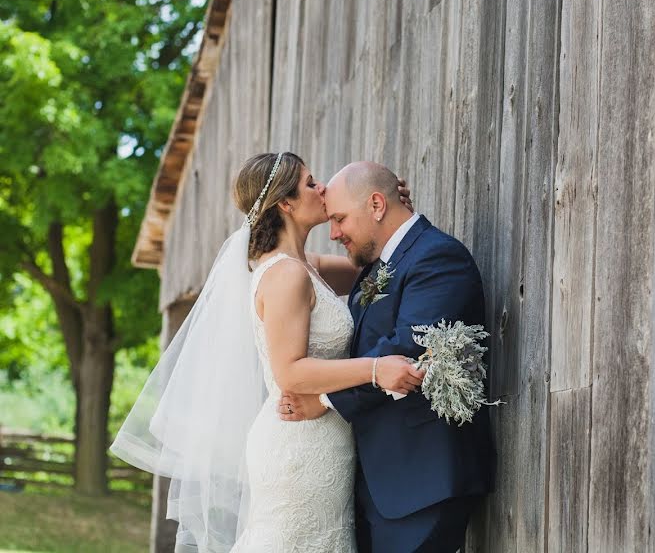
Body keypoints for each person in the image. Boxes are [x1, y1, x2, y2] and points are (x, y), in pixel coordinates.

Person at [111, 152, 424, 552]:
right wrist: (377, 368)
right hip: (298, 446)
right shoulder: (286, 275)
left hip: (325, 439)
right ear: (286, 203)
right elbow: (289, 373)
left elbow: (380, 270)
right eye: (311, 183)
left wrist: (393, 212)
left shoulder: (306, 265)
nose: (323, 188)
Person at [278, 161, 496, 553]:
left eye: (341, 219)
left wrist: (325, 399)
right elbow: (281, 267)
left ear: (377, 205)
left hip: (422, 483)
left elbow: (406, 352)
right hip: (378, 482)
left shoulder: (437, 258)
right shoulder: (376, 266)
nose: (335, 233)